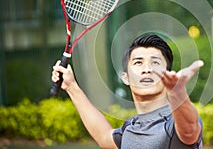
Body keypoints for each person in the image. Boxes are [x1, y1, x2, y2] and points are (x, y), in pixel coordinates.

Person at [52, 34, 204, 149]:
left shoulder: (173, 123)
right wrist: (71, 86)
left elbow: (189, 130)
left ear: (168, 73)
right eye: (138, 62)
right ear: (125, 77)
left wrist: (177, 92)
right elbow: (104, 137)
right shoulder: (130, 128)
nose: (147, 69)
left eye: (155, 62)